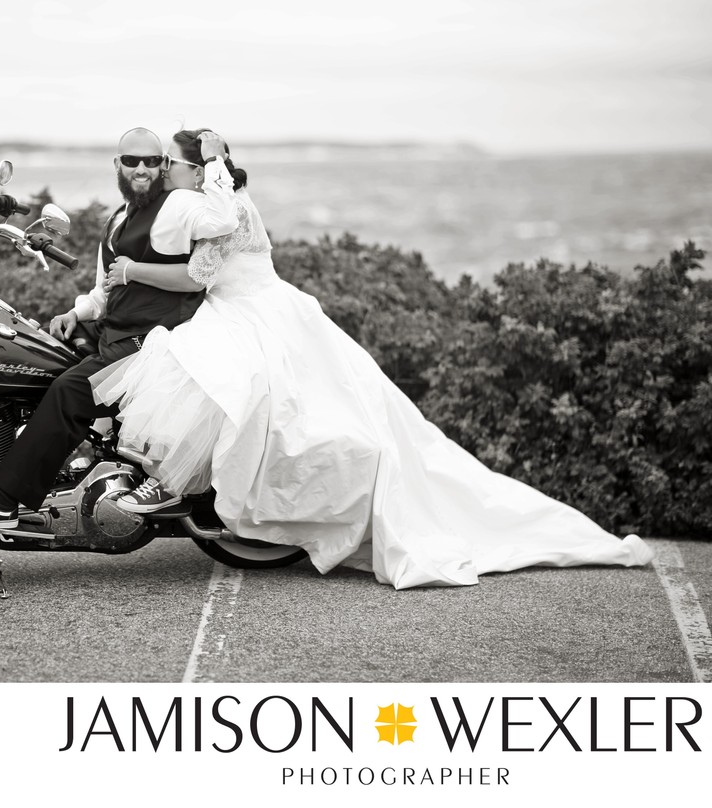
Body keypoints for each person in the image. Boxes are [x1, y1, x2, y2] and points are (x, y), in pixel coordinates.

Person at [91, 128, 655, 589]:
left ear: (196, 171)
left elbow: (200, 274)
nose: (161, 172)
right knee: (266, 401)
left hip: (255, 312)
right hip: (246, 308)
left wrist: (134, 269)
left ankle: (185, 488)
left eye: (170, 163)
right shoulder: (203, 202)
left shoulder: (220, 205)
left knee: (237, 389)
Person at [0, 127, 238, 531]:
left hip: (150, 341)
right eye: (132, 161)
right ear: (117, 165)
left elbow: (222, 220)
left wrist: (214, 161)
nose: (143, 169)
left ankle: (4, 502)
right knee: (34, 353)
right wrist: (77, 313)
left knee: (69, 392)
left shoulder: (179, 204)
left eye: (153, 161)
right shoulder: (118, 219)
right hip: (115, 329)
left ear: (164, 165)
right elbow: (103, 289)